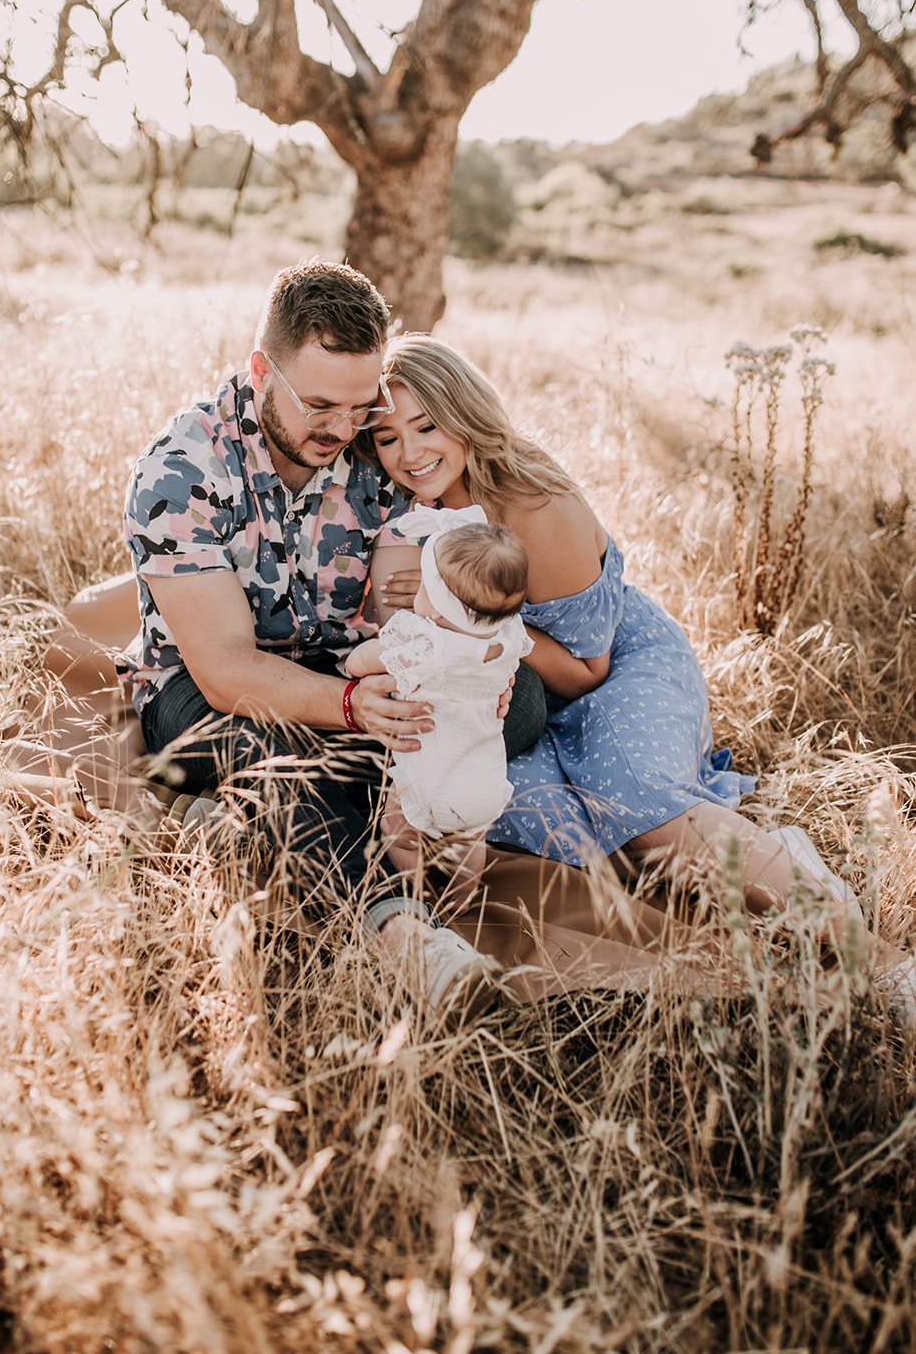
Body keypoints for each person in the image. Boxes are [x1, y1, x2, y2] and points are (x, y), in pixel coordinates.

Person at [362, 334, 916, 1019]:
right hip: (505, 683)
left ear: (465, 413)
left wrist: (488, 631)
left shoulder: (538, 507)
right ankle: (755, 892)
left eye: (426, 426)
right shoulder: (402, 511)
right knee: (528, 819)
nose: (409, 453)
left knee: (632, 798)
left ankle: (875, 959)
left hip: (609, 664)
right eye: (387, 438)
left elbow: (584, 670)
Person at [117, 259, 548, 1019]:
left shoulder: (371, 449)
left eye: (360, 407)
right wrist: (351, 708)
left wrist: (460, 664)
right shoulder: (182, 468)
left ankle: (246, 824)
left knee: (520, 706)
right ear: (260, 370)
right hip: (209, 695)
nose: (345, 430)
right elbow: (221, 671)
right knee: (260, 747)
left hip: (349, 667)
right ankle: (408, 940)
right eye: (319, 405)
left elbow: (412, 602)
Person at [345, 505, 532, 903]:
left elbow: (363, 661)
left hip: (429, 779)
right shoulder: (508, 638)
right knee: (469, 846)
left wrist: (358, 659)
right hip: (483, 780)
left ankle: (417, 895)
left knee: (400, 834)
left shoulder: (426, 645)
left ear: (435, 604)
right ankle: (461, 900)